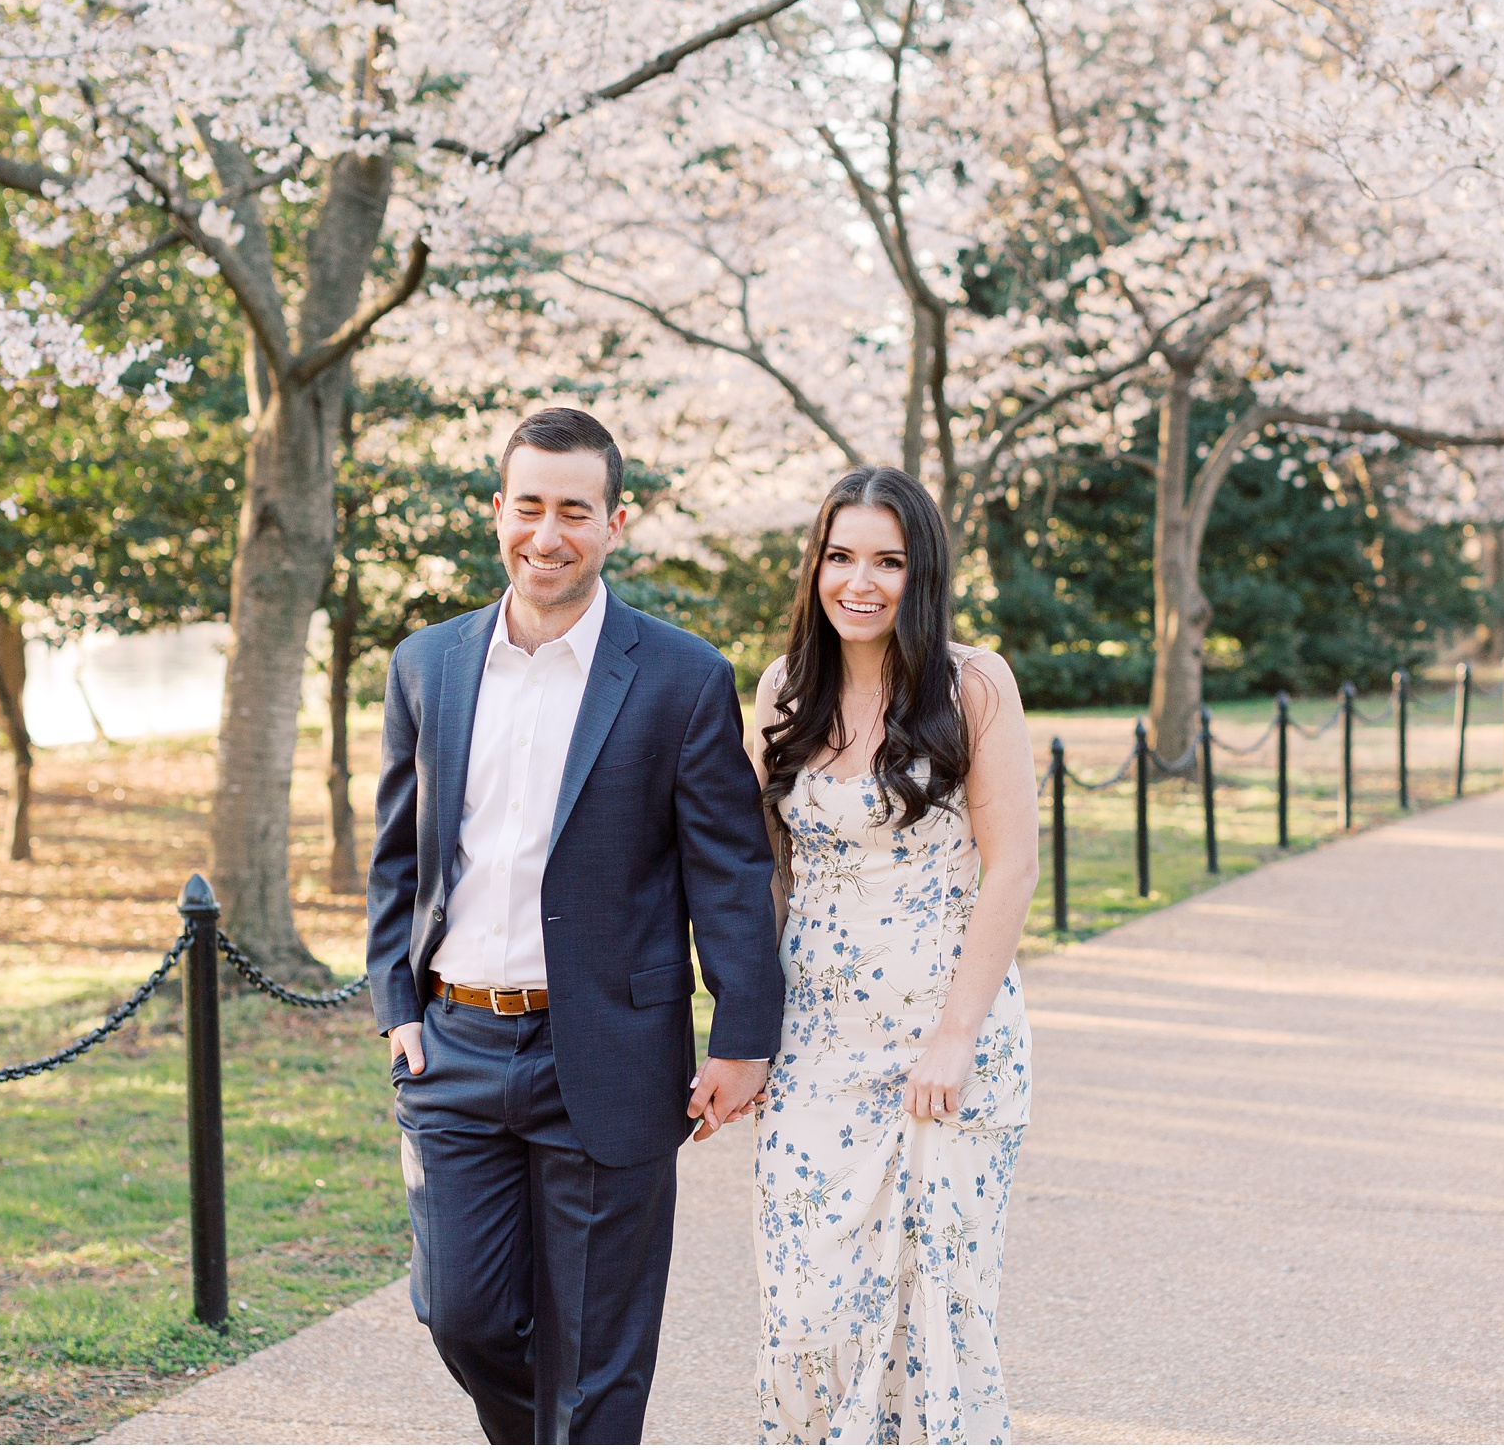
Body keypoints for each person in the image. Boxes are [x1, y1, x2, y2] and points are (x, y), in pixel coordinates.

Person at [365, 407, 784, 1444]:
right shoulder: (428, 663)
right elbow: (397, 853)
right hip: (453, 1046)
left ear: (615, 521)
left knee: (598, 1357)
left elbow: (728, 867)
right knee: (460, 1314)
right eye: (527, 506)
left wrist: (742, 1034)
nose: (546, 534)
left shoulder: (681, 675)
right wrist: (394, 1002)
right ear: (495, 509)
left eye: (573, 511)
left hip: (609, 1051)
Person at [749, 466, 1040, 1444]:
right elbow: (763, 871)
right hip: (816, 1044)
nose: (859, 581)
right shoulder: (783, 690)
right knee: (805, 1315)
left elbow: (1010, 866)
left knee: (929, 1323)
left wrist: (954, 1036)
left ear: (922, 572)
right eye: (840, 556)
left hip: (944, 1042)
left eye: (887, 559)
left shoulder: (970, 684)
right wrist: (742, 1030)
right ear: (814, 567)